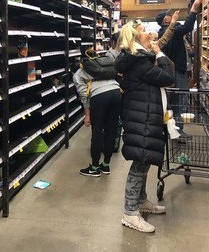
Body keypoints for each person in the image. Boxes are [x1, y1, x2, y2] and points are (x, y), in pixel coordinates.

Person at [115, 23, 175, 233]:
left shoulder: (140, 59)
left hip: (144, 116)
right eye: (143, 31)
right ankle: (130, 213)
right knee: (139, 164)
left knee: (145, 160)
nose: (149, 34)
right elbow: (169, 78)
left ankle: (141, 201)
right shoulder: (141, 63)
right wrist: (159, 53)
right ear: (135, 38)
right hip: (143, 118)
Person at [73, 45, 121, 177]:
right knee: (111, 130)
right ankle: (106, 165)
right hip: (116, 93)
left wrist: (87, 115)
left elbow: (84, 95)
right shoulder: (103, 64)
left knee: (97, 131)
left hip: (100, 97)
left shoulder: (78, 74)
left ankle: (94, 167)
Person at [156, 0, 201, 130]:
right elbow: (188, 27)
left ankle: (169, 129)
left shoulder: (161, 33)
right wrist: (193, 9)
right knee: (180, 100)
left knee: (170, 101)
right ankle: (177, 131)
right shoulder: (173, 30)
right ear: (166, 20)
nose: (171, 16)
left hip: (167, 71)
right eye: (168, 15)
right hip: (177, 72)